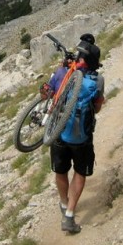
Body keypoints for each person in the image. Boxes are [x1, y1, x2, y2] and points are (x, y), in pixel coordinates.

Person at [51, 37, 104, 235]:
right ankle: (70, 216)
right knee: (80, 172)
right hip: (83, 137)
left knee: (61, 170)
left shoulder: (64, 72)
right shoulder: (98, 80)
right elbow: (97, 107)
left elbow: (47, 95)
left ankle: (64, 204)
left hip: (59, 133)